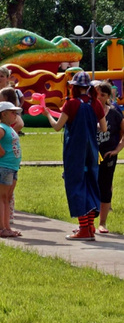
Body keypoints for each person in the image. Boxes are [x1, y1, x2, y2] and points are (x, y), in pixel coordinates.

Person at [43, 71, 107, 241]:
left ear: (74, 87)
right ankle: (90, 226)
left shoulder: (70, 104)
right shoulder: (96, 104)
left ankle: (84, 229)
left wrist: (47, 114)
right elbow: (104, 128)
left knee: (76, 186)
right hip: (92, 152)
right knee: (91, 184)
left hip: (75, 152)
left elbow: (58, 127)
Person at [0, 101, 23, 238]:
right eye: (13, 112)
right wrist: (1, 152)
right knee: (1, 198)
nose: (15, 115)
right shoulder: (1, 127)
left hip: (11, 167)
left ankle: (7, 227)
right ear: (4, 114)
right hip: (3, 167)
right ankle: (0, 228)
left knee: (7, 198)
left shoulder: (9, 127)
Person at [96, 81, 124, 234]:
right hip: (90, 156)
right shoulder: (88, 110)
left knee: (105, 188)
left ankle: (102, 223)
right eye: (97, 94)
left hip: (107, 157)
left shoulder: (114, 112)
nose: (99, 97)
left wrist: (116, 150)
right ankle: (86, 223)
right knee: (89, 186)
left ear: (108, 97)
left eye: (103, 95)